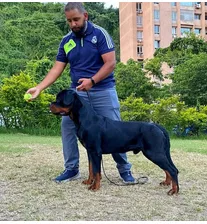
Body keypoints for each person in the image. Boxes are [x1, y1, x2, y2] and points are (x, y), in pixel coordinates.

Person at [26, 2, 135, 184]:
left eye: (76, 19)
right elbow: (57, 68)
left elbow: (110, 63)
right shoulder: (66, 41)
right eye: (69, 21)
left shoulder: (100, 34)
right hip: (78, 93)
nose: (73, 24)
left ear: (85, 16)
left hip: (103, 90)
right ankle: (71, 169)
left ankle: (124, 170)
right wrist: (39, 87)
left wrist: (92, 81)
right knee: (67, 127)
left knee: (116, 129)